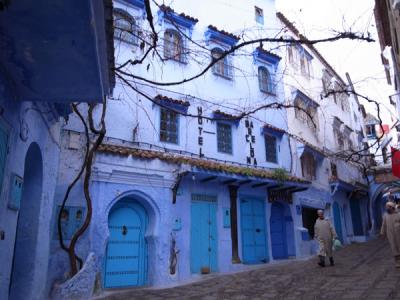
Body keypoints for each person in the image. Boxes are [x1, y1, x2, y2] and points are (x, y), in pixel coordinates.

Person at [380, 201, 400, 268]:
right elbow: (384, 225)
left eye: (388, 207)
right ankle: (397, 262)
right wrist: (382, 233)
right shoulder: (385, 215)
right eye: (386, 207)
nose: (387, 208)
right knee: (393, 247)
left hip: (398, 234)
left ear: (392, 207)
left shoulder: (398, 214)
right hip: (390, 234)